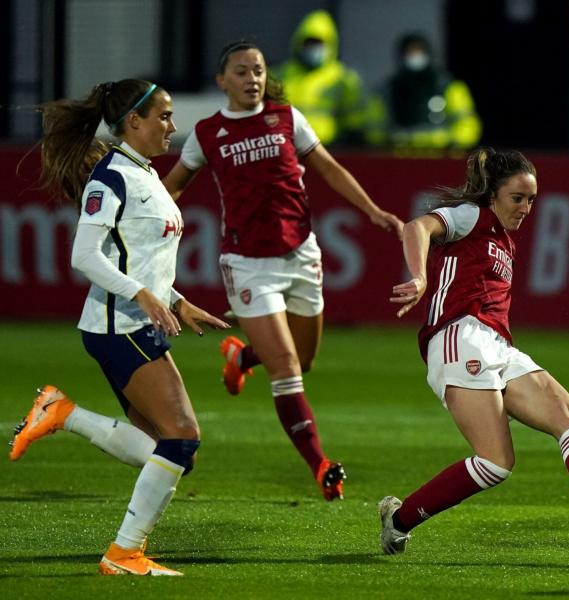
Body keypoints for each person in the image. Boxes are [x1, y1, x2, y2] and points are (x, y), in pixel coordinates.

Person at [378, 147, 569, 554]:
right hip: (459, 336)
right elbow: (417, 227)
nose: (525, 208)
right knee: (494, 462)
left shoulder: (505, 241)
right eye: (517, 198)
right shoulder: (474, 215)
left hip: (498, 345)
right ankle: (399, 521)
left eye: (531, 200)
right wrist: (419, 278)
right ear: (493, 196)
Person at [163, 41, 404, 502]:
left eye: (257, 69)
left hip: (300, 254)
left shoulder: (287, 118)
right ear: (222, 81)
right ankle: (320, 465)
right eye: (240, 71)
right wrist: (143, 216)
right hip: (248, 265)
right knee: (289, 367)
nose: (251, 77)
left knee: (305, 359)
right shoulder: (208, 133)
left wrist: (372, 211)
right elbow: (172, 186)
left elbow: (329, 168)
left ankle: (243, 357)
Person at [9, 79, 230, 576]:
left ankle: (63, 412)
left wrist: (176, 299)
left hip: (134, 321)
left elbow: (139, 258)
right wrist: (145, 296)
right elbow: (84, 255)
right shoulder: (111, 178)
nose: (173, 126)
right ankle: (124, 552)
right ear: (134, 120)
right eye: (164, 116)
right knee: (182, 437)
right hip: (117, 325)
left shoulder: (144, 174)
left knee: (169, 452)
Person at [365, 32, 481, 153]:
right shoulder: (387, 90)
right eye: (410, 52)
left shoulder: (448, 87)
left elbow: (467, 122)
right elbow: (374, 128)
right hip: (400, 154)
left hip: (441, 154)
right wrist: (383, 141)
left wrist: (454, 142)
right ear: (401, 56)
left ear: (428, 53)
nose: (415, 56)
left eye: (419, 51)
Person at [271, 10, 367, 146]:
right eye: (309, 44)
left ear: (330, 45)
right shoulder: (281, 74)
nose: (313, 49)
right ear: (299, 44)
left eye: (318, 44)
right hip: (286, 147)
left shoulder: (341, 77)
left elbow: (355, 117)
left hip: (329, 147)